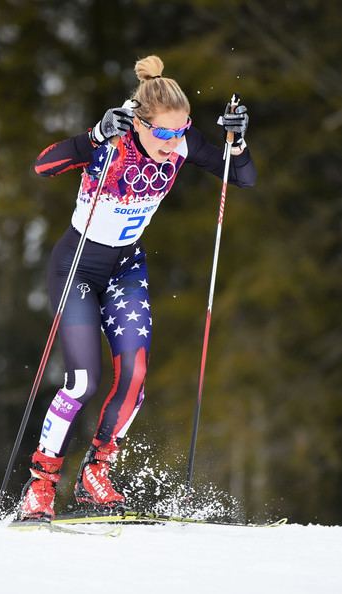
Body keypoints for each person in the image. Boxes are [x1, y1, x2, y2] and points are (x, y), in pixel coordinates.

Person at [17, 54, 256, 522]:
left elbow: (243, 176)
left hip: (126, 267)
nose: (173, 142)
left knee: (136, 375)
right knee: (83, 382)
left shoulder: (183, 143)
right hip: (78, 267)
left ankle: (96, 472)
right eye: (163, 133)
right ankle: (41, 484)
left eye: (181, 130)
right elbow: (43, 167)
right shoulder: (112, 142)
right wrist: (92, 137)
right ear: (141, 123)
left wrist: (238, 139)